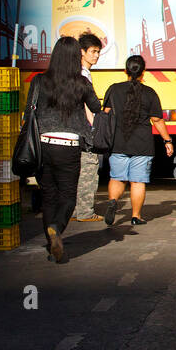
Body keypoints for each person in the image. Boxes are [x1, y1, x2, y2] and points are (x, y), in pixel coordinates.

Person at [23, 36, 101, 263]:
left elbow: (30, 112)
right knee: (68, 196)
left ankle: (51, 247)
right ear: (77, 56)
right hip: (69, 146)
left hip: (43, 144)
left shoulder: (39, 81)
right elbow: (95, 106)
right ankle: (56, 228)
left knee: (48, 196)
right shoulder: (81, 82)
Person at [103, 55, 174, 228]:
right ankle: (136, 216)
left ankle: (113, 201)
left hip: (117, 142)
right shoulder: (149, 93)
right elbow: (157, 120)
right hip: (142, 144)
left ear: (125, 71)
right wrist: (167, 140)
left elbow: (105, 113)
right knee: (137, 181)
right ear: (144, 72)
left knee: (117, 178)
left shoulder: (114, 89)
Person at [72, 32, 104, 222]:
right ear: (82, 52)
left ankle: (75, 211)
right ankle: (85, 212)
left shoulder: (73, 72)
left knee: (77, 171)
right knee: (89, 169)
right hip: (84, 130)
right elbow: (87, 105)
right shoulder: (83, 74)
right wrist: (93, 127)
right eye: (92, 51)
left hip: (72, 130)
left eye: (98, 52)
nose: (96, 55)